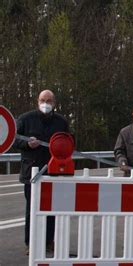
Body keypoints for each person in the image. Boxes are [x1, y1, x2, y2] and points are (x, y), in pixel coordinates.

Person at [15, 90, 69, 255]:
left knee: (51, 209)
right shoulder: (25, 119)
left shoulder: (61, 122)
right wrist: (27, 145)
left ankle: (48, 241)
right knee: (32, 209)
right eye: (43, 100)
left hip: (53, 171)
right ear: (37, 101)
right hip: (31, 172)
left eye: (49, 100)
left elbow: (69, 141)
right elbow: (13, 139)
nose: (46, 103)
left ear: (54, 103)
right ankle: (30, 243)